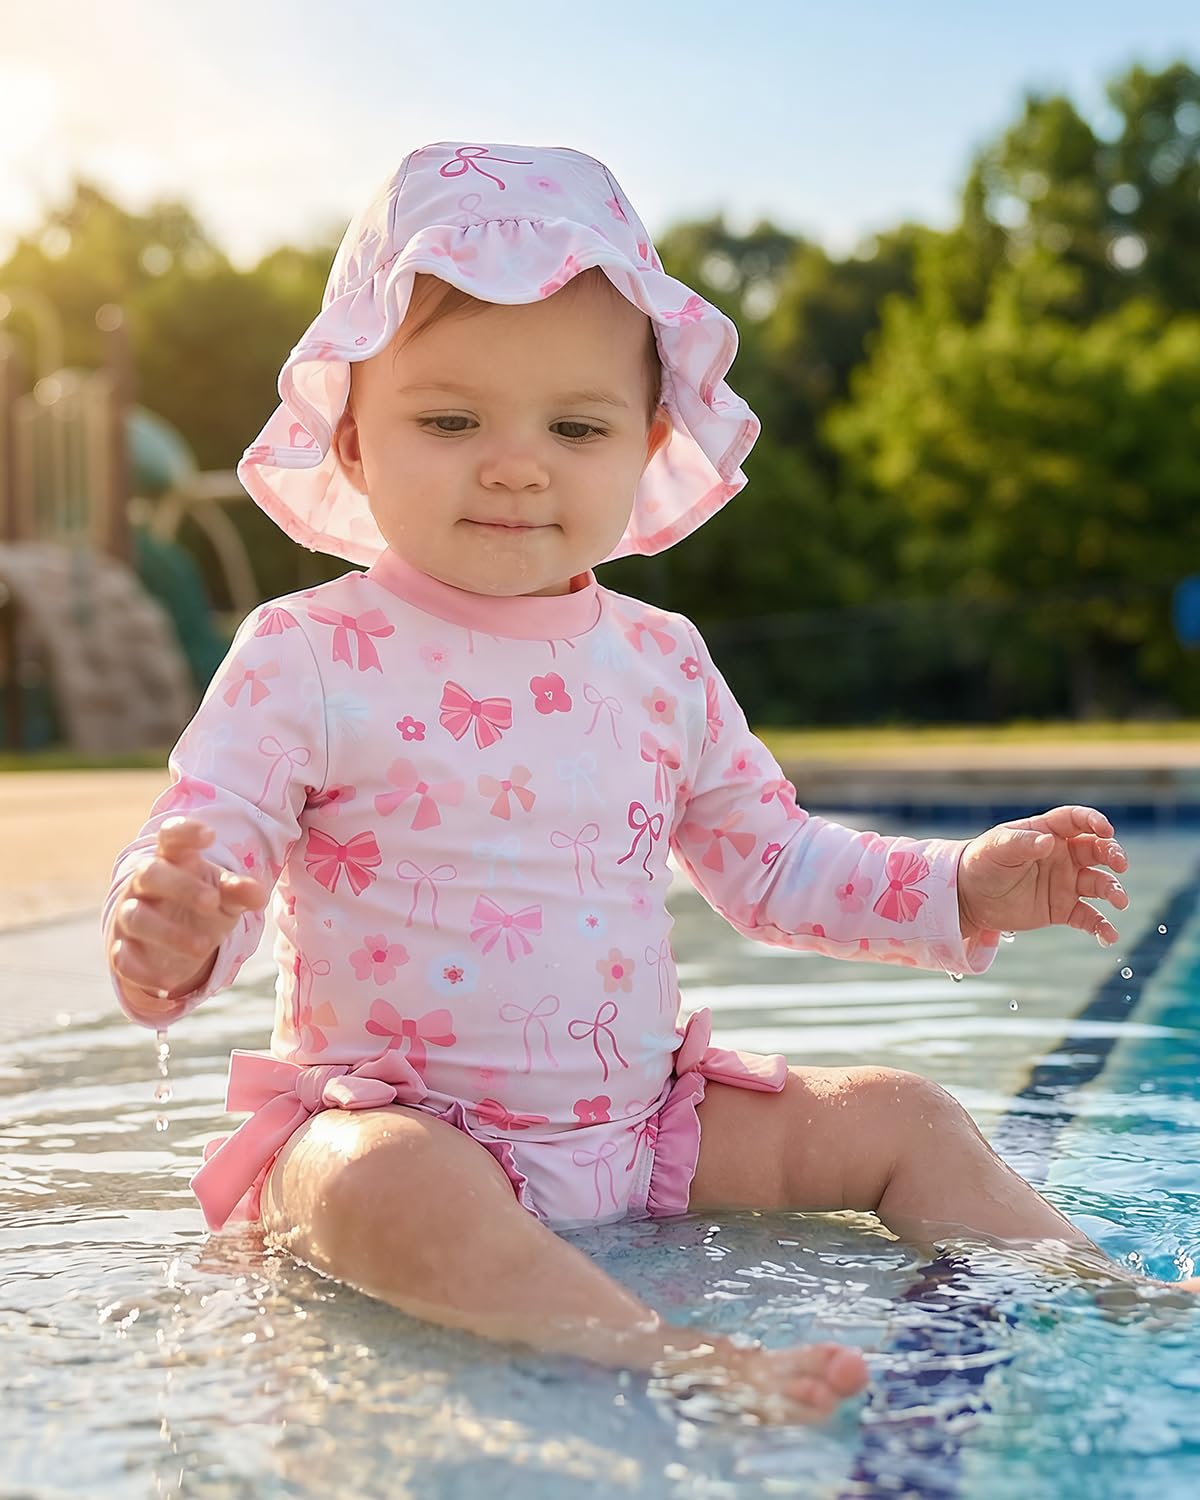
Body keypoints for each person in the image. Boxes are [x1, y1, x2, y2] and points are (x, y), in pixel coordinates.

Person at [102, 141, 1196, 1427]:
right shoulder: (306, 653)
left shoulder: (661, 661)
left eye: (575, 426)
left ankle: (1109, 1288)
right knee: (365, 1185)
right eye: (451, 420)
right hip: (402, 1126)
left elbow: (775, 865)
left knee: (904, 1112)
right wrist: (173, 924)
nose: (518, 464)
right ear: (353, 435)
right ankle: (659, 1350)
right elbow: (207, 849)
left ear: (649, 440)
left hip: (640, 1135)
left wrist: (964, 887)